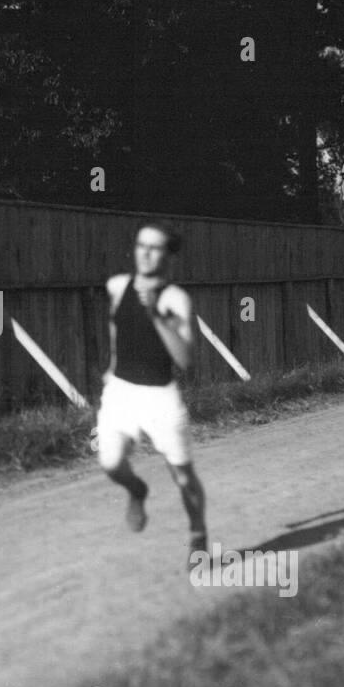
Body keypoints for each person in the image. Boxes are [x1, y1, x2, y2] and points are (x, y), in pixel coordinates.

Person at [96, 221, 207, 561]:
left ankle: (198, 537)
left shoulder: (176, 299)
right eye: (141, 245)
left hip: (160, 396)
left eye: (155, 247)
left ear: (168, 255)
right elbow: (119, 334)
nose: (145, 252)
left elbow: (185, 360)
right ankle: (137, 490)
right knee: (111, 463)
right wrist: (111, 371)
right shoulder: (117, 286)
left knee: (183, 476)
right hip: (121, 392)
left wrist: (156, 314)